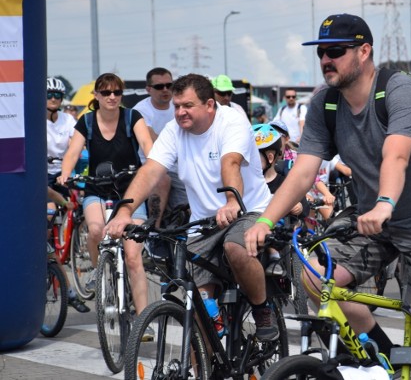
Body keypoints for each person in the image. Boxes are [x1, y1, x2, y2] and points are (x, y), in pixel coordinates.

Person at [245, 13, 411, 379]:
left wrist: (384, 204)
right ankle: (382, 356)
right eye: (320, 53)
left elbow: (395, 154)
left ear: (364, 51)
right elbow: (303, 171)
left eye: (335, 50)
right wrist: (266, 220)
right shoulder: (325, 105)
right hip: (374, 217)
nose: (325, 60)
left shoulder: (398, 91)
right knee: (317, 279)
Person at [106, 74, 280, 341]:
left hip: (247, 210)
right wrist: (125, 211)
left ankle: (261, 307)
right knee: (199, 316)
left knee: (236, 247)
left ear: (209, 105)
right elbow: (151, 170)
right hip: (203, 223)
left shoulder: (232, 121)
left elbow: (230, 163)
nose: (179, 112)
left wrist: (232, 201)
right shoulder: (174, 131)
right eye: (176, 106)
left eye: (187, 105)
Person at [57, 73, 154, 326]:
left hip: (131, 192)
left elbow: (147, 145)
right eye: (106, 92)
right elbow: (73, 152)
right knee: (96, 230)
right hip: (97, 190)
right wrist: (65, 173)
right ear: (96, 96)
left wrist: (154, 165)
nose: (112, 97)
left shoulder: (133, 117)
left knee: (133, 256)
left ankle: (143, 319)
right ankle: (100, 271)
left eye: (117, 92)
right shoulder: (86, 122)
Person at [45, 77, 90, 313]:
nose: (53, 99)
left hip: (63, 173)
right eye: (49, 95)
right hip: (44, 173)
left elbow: (77, 145)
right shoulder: (37, 119)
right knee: (50, 210)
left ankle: (73, 240)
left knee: (82, 196)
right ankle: (52, 239)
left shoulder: (68, 119)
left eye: (58, 96)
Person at [134, 67, 188, 230]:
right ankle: (153, 232)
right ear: (148, 89)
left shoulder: (180, 105)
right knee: (161, 179)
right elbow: (151, 139)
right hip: (152, 163)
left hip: (180, 165)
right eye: (159, 86)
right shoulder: (140, 110)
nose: (165, 90)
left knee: (187, 206)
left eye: (169, 85)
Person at [252, 123, 308, 275]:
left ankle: (274, 255)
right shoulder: (246, 183)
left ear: (270, 157)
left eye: (253, 156)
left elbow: (303, 205)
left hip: (278, 230)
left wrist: (299, 205)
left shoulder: (285, 182)